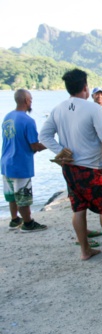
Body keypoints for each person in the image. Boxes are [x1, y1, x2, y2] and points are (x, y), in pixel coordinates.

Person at [39, 68, 102, 261]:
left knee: (78, 208)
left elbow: (44, 136)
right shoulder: (93, 108)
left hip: (70, 168)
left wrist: (60, 151)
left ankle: (85, 250)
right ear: (85, 87)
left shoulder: (58, 108)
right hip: (93, 169)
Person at [1, 89, 47, 232]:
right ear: (27, 101)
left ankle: (15, 220)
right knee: (23, 196)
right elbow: (34, 145)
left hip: (5, 163)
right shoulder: (28, 121)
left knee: (12, 195)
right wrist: (50, 144)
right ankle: (28, 223)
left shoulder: (7, 117)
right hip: (20, 164)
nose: (31, 102)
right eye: (31, 99)